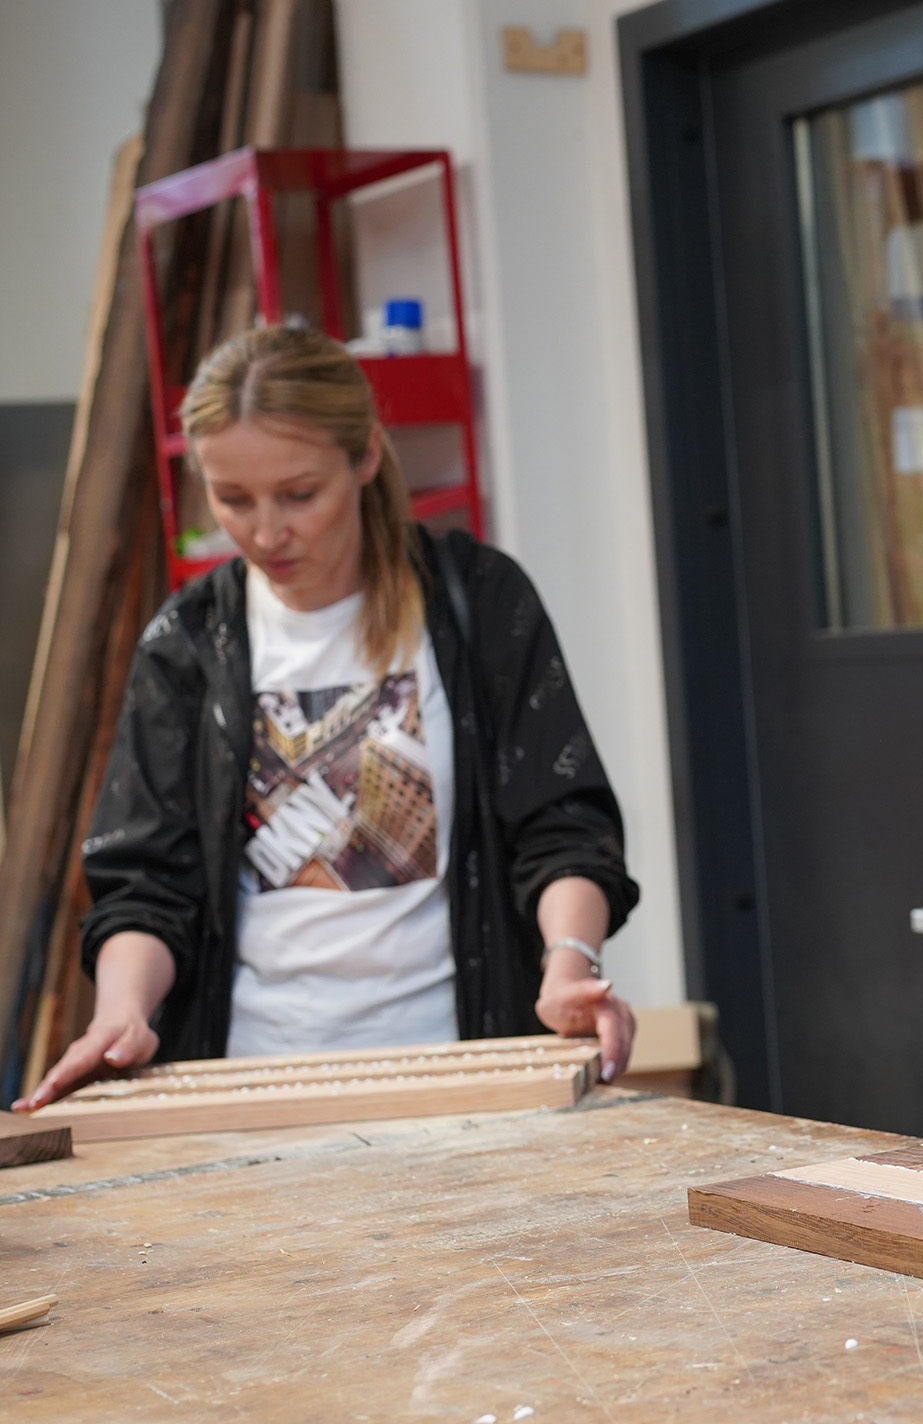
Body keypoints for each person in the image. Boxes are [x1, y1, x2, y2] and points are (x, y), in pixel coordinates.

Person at [15, 326, 638, 1111]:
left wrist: (570, 962)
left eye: (299, 494)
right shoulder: (189, 643)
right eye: (232, 499)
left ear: (366, 456)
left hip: (460, 1068)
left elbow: (562, 823)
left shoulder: (476, 600)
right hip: (254, 1077)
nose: (267, 532)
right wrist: (122, 1011)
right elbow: (145, 882)